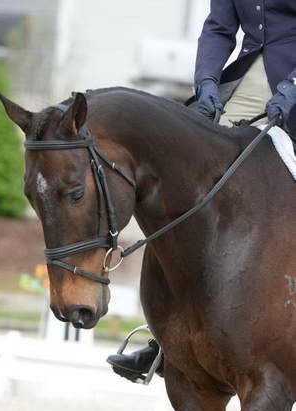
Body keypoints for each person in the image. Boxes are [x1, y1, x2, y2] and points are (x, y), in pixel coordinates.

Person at [107, 0, 296, 381]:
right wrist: (207, 81)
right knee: (185, 187)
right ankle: (167, 339)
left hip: (292, 82)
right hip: (244, 80)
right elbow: (218, 28)